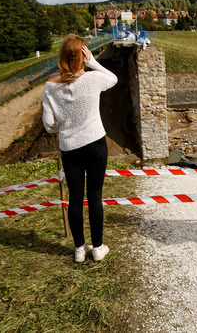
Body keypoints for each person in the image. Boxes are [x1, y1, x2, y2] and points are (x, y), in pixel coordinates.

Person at [42, 34, 118, 263]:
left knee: (75, 198)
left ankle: (78, 250)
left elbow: (49, 126)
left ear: (62, 57)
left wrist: (64, 121)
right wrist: (93, 62)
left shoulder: (50, 86)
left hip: (70, 147)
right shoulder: (93, 79)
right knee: (95, 196)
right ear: (83, 55)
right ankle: (97, 248)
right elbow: (113, 79)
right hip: (95, 144)